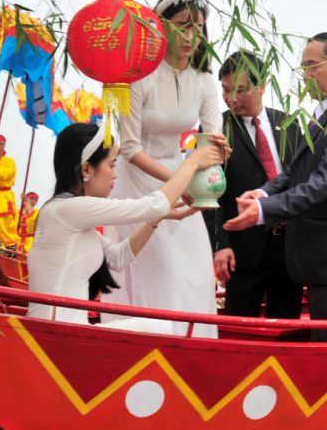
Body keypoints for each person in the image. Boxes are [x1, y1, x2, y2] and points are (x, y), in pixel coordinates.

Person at [224, 32, 327, 343]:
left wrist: (266, 210)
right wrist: (264, 193)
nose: (304, 75)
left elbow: (325, 181)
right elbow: (295, 170)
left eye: (312, 66)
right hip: (322, 255)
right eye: (302, 66)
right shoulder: (324, 115)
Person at [103, 0, 223, 337]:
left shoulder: (203, 80)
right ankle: (151, 344)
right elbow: (129, 148)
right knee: (160, 268)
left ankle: (196, 349)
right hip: (140, 179)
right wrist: (178, 182)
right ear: (159, 27)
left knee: (196, 267)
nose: (191, 37)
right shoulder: (138, 75)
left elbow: (212, 137)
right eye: (182, 26)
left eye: (198, 28)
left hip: (181, 178)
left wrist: (216, 155)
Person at [27, 121, 221, 334]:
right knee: (163, 327)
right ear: (86, 169)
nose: (115, 174)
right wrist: (191, 164)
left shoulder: (68, 213)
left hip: (61, 332)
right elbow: (154, 203)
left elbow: (119, 258)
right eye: (112, 165)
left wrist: (156, 219)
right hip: (58, 336)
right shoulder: (68, 209)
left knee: (161, 325)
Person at [206, 50, 303, 319]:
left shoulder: (291, 124)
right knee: (241, 330)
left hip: (290, 246)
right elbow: (208, 195)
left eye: (240, 90)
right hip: (242, 251)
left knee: (288, 327)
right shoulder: (217, 129)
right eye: (225, 90)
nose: (231, 98)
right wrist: (220, 244)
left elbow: (302, 180)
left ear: (262, 86)